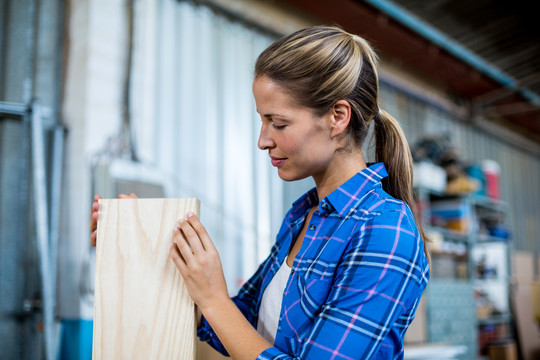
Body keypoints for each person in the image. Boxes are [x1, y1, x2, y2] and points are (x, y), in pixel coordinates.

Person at [90, 25, 430, 359]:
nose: (263, 140)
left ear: (337, 117)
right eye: (262, 121)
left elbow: (220, 310)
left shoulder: (385, 230)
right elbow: (235, 328)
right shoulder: (305, 217)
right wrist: (141, 246)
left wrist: (214, 299)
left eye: (278, 123)